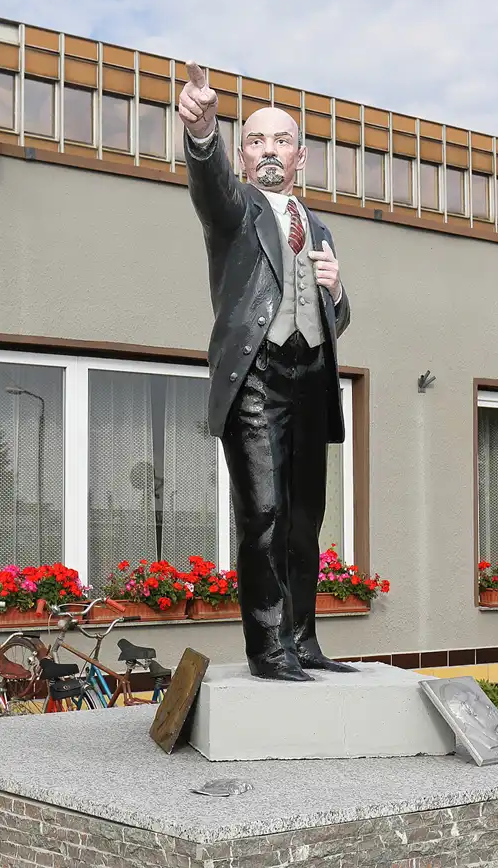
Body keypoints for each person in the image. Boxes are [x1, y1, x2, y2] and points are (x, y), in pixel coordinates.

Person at [179, 61, 357, 682]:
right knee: (263, 516)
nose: (269, 150)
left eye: (282, 140)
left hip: (311, 381)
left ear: (301, 156)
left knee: (305, 518)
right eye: (256, 140)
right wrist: (205, 134)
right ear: (246, 155)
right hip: (256, 378)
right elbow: (211, 183)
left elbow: (339, 315)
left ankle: (303, 639)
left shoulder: (320, 226)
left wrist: (335, 295)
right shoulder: (235, 212)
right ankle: (268, 649)